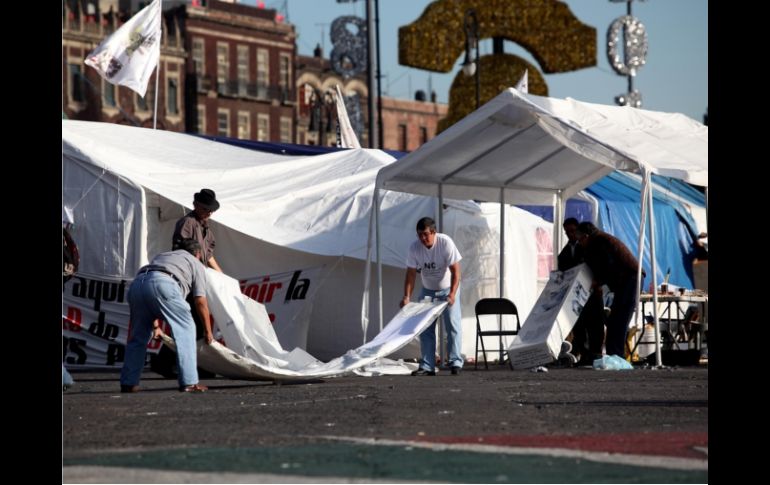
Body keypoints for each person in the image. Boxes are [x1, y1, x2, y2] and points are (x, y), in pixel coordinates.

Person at [120, 239, 213, 393]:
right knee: (186, 330)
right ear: (197, 254)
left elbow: (150, 291)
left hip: (137, 284)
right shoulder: (196, 263)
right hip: (165, 284)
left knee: (137, 338)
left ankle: (129, 382)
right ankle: (189, 382)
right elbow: (200, 301)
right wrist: (208, 331)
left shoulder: (162, 256)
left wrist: (155, 327)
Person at [401, 217, 463, 376]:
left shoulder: (445, 243)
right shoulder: (414, 248)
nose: (422, 238)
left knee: (453, 326)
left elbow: (456, 272)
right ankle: (428, 365)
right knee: (425, 327)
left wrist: (452, 294)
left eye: (425, 234)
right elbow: (411, 275)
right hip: (428, 291)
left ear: (434, 232)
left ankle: (455, 361)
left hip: (447, 288)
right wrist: (406, 296)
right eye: (419, 235)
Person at [575, 221, 640, 359]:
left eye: (580, 239)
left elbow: (607, 265)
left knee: (619, 320)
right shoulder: (599, 239)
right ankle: (614, 355)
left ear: (586, 236)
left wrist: (598, 281)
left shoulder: (599, 241)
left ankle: (616, 356)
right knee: (616, 320)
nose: (579, 243)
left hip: (629, 278)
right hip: (626, 279)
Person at [558, 218, 605, 365]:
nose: (570, 234)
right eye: (567, 232)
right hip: (575, 296)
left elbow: (597, 266)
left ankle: (596, 354)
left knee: (595, 324)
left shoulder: (588, 247)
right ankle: (584, 355)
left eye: (572, 231)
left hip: (591, 292)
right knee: (579, 326)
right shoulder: (565, 252)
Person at [172, 188, 223, 272]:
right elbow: (181, 252)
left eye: (211, 210)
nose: (209, 213)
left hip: (199, 272)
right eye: (206, 209)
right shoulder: (187, 223)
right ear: (195, 205)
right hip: (187, 271)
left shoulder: (207, 230)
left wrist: (221, 275)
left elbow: (208, 256)